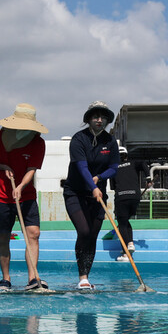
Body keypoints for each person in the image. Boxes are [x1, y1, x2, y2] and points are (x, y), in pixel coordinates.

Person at [0, 103, 49, 290]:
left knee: (33, 234)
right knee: (3, 237)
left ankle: (33, 278)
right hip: (2, 195)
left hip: (26, 195)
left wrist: (21, 185)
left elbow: (32, 169)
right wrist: (3, 167)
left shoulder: (38, 142)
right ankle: (6, 279)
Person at [63, 101, 119, 290]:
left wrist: (100, 178)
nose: (99, 119)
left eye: (102, 117)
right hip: (75, 193)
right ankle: (82, 274)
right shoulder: (79, 139)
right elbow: (81, 166)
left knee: (93, 235)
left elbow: (113, 167)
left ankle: (86, 278)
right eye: (95, 116)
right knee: (84, 232)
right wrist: (91, 185)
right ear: (88, 119)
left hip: (98, 195)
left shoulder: (110, 141)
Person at [112, 145, 150, 261]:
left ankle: (127, 250)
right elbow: (143, 163)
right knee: (125, 221)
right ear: (126, 155)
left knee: (122, 224)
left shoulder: (113, 168)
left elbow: (114, 187)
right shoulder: (133, 163)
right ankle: (129, 245)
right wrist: (148, 178)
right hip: (135, 196)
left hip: (122, 197)